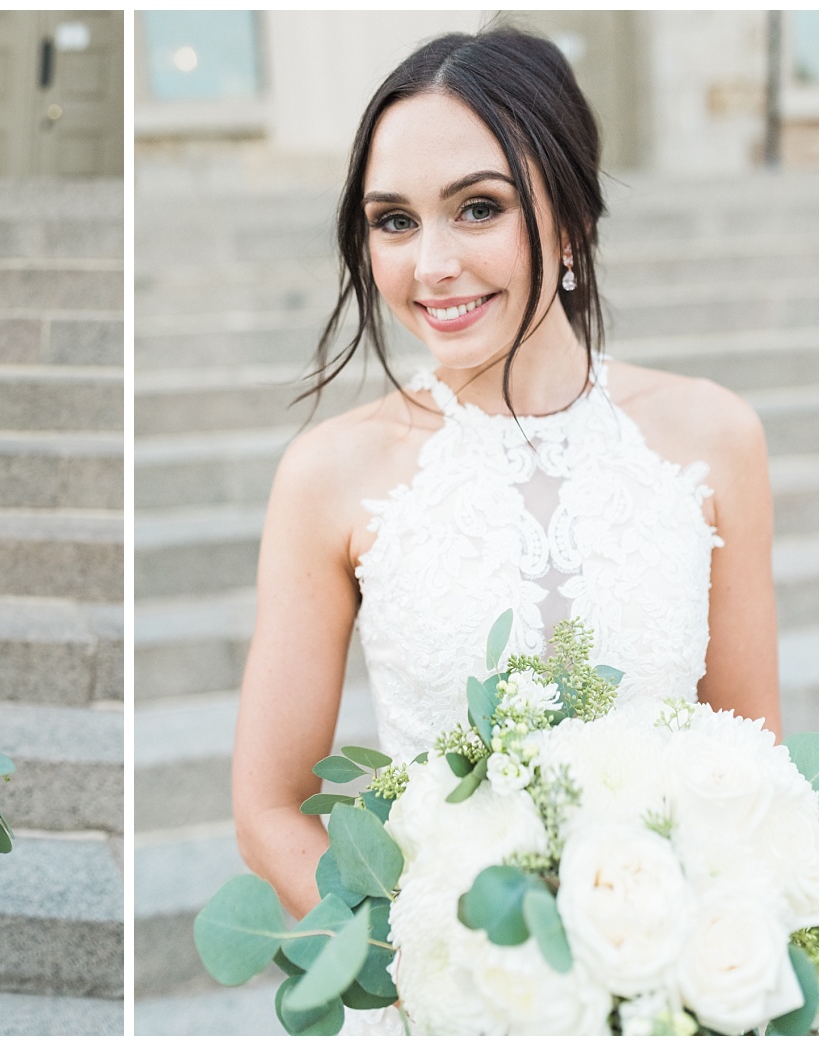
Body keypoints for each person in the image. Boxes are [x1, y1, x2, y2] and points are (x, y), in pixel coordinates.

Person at [231, 27, 780, 1033]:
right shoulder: (329, 476)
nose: (429, 265)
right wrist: (431, 968)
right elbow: (269, 806)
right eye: (391, 221)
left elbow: (750, 765)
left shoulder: (712, 438)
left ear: (568, 217)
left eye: (475, 208)